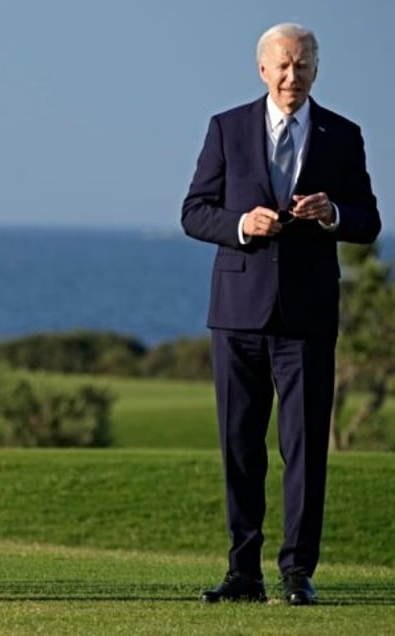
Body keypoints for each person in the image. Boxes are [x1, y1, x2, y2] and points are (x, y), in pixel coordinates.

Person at [182, 23, 381, 605]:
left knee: (304, 447)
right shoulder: (227, 128)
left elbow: (367, 221)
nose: (293, 76)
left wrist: (333, 213)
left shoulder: (343, 135)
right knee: (240, 447)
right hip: (238, 312)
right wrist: (243, 225)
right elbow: (195, 212)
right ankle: (243, 573)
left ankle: (297, 573)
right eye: (284, 66)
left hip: (308, 316)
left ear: (316, 69)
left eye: (304, 65)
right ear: (263, 70)